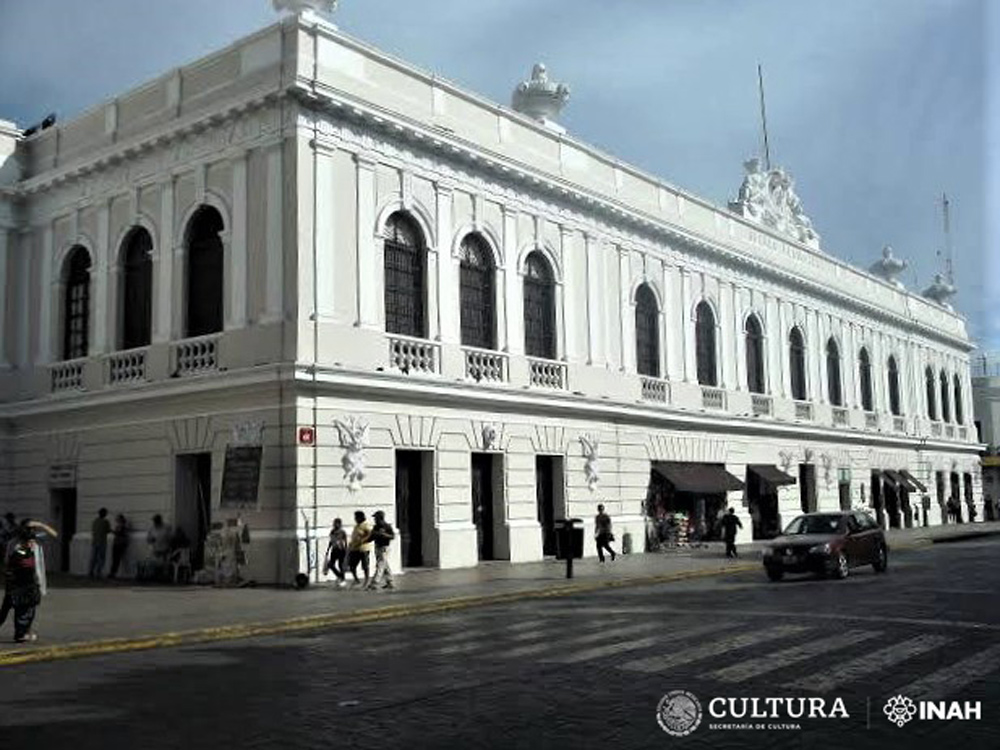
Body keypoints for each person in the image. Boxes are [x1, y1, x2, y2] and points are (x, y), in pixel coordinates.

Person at [4, 524, 47, 643]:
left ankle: (24, 633)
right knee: (21, 612)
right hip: (20, 588)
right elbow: (10, 570)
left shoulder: (30, 553)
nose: (32, 544)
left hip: (30, 588)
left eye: (33, 542)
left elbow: (35, 570)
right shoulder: (18, 554)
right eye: (30, 542)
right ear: (24, 542)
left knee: (29, 612)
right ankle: (20, 635)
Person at [366, 511, 395, 591]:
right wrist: (364, 541)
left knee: (380, 565)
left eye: (376, 518)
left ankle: (374, 583)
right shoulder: (376, 527)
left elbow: (392, 536)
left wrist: (384, 535)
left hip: (384, 548)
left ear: (380, 518)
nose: (374, 519)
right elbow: (371, 537)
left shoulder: (387, 526)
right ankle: (390, 582)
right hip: (377, 547)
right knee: (385, 565)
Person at [346, 511, 373, 588]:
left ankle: (367, 580)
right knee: (352, 565)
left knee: (365, 565)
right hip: (355, 548)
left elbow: (370, 534)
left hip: (364, 548)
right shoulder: (357, 526)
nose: (355, 519)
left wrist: (363, 540)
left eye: (356, 517)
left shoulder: (365, 525)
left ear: (361, 517)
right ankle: (356, 580)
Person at [89, 508, 112, 579]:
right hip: (102, 542)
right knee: (101, 558)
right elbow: (108, 530)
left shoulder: (95, 521)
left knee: (93, 558)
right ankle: (98, 572)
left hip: (94, 542)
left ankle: (91, 571)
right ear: (104, 514)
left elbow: (93, 530)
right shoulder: (105, 522)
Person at [325, 518, 348, 587]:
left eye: (336, 523)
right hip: (334, 550)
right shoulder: (332, 532)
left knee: (341, 565)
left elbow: (345, 541)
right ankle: (340, 576)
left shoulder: (342, 532)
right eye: (334, 523)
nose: (335, 525)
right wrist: (328, 549)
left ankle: (342, 579)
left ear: (340, 524)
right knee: (330, 564)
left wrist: (346, 551)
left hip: (341, 550)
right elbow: (331, 541)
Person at [108, 514, 130, 579]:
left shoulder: (122, 527)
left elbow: (119, 533)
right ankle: (113, 572)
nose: (117, 520)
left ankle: (113, 573)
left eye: (118, 519)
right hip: (117, 543)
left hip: (119, 544)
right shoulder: (120, 526)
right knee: (115, 559)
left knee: (116, 559)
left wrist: (112, 531)